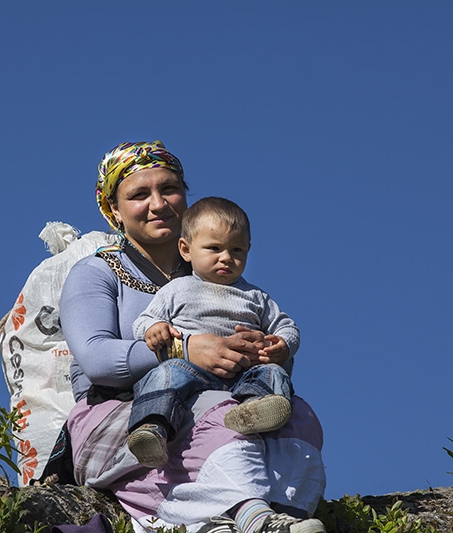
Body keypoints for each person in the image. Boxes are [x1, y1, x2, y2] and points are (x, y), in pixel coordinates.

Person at [56, 141, 326, 533]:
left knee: (298, 415)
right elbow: (96, 359)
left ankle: (286, 513)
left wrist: (262, 351)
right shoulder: (97, 272)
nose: (158, 203)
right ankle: (251, 516)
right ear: (113, 208)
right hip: (123, 414)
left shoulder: (218, 273)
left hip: (220, 394)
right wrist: (185, 350)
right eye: (138, 194)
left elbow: (277, 341)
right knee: (217, 411)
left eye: (169, 189)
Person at [127, 196, 298, 468]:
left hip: (245, 372)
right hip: (191, 368)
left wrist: (282, 345)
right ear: (186, 249)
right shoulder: (176, 289)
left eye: (237, 250)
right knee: (166, 373)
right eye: (214, 248)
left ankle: (254, 411)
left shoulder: (255, 296)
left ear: (248, 250)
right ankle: (152, 429)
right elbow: (143, 322)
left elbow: (286, 326)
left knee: (274, 373)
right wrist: (154, 328)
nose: (226, 258)